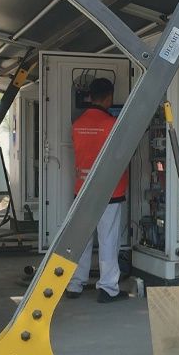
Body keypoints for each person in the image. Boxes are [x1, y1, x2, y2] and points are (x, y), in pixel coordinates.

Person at [66, 78, 129, 303]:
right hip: (109, 193)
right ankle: (108, 288)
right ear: (109, 97)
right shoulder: (112, 125)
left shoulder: (77, 124)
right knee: (108, 240)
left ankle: (75, 284)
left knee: (81, 239)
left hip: (82, 191)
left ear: (90, 97)